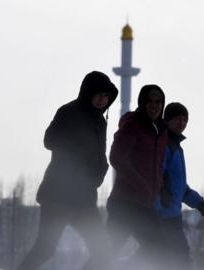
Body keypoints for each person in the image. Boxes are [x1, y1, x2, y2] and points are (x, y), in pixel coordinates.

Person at [16, 71, 118, 270]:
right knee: (46, 248)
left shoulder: (100, 121)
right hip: (58, 196)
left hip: (84, 199)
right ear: (88, 93)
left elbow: (100, 153)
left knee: (102, 250)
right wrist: (75, 153)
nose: (102, 100)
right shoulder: (68, 112)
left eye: (106, 96)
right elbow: (49, 140)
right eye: (98, 95)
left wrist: (100, 171)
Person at [106, 84, 168, 269]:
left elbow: (155, 164)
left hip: (144, 203)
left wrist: (161, 186)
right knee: (157, 248)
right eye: (149, 101)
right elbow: (117, 157)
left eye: (158, 102)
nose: (154, 105)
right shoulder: (133, 125)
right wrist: (141, 185)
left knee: (109, 251)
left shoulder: (161, 130)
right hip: (125, 202)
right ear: (142, 103)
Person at [155, 102, 204, 270]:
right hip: (160, 215)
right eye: (177, 119)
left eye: (185, 119)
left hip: (172, 215)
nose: (182, 123)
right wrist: (160, 198)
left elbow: (179, 186)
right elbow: (156, 175)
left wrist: (198, 203)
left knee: (169, 257)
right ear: (167, 120)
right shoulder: (163, 145)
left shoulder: (177, 148)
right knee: (173, 257)